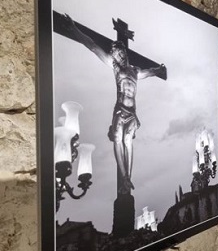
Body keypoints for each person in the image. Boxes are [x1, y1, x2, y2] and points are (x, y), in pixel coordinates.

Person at [62, 14, 167, 194]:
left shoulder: (134, 71)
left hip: (132, 113)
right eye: (116, 54)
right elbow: (94, 47)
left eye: (120, 52)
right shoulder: (116, 68)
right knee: (118, 140)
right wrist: (74, 30)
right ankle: (124, 175)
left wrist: (159, 70)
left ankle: (128, 177)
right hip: (120, 111)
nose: (118, 55)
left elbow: (149, 72)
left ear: (124, 53)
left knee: (128, 142)